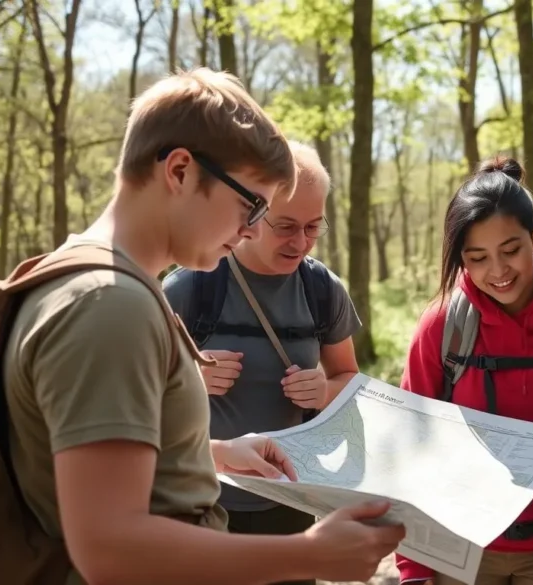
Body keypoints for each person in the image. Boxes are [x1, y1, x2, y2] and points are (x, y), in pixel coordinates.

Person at [0, 68, 404, 585]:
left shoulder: (89, 275)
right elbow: (108, 547)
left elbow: (107, 471)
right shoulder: (111, 305)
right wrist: (309, 555)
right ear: (181, 171)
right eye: (250, 203)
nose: (251, 229)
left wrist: (212, 454)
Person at [396, 157, 533, 585]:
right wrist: (414, 571)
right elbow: (409, 443)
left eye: (511, 250)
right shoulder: (442, 325)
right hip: (460, 546)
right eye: (477, 258)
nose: (497, 271)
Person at [162, 141, 360, 584]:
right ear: (253, 213)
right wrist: (190, 376)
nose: (301, 243)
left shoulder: (323, 290)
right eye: (286, 226)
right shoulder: (190, 286)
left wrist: (325, 389)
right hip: (201, 504)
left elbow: (350, 378)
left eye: (313, 227)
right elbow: (140, 399)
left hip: (290, 503)